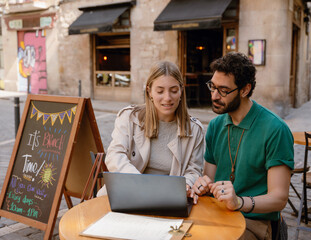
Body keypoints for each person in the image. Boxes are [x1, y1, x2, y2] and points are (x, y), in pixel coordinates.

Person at [192, 52, 294, 239]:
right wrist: (203, 184)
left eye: (223, 90)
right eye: (212, 87)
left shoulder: (275, 129)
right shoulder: (215, 126)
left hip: (255, 221)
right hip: (218, 215)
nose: (214, 96)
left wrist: (238, 202)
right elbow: (209, 178)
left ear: (245, 90)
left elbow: (279, 198)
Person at [97, 61, 204, 200]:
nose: (167, 98)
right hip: (127, 194)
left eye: (173, 90)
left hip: (169, 200)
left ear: (181, 91)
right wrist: (141, 185)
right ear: (149, 91)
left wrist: (186, 185)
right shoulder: (129, 117)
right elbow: (114, 155)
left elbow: (194, 170)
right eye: (160, 91)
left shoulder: (194, 129)